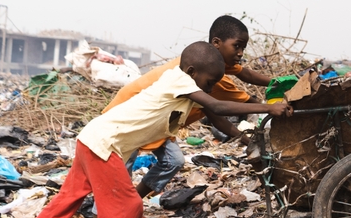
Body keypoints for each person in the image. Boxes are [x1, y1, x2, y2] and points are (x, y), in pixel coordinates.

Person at [0, 41, 293, 218]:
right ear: (191, 72)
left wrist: (244, 137)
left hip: (93, 139)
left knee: (64, 203)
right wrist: (268, 107)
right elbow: (217, 105)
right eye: (210, 82)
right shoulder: (178, 79)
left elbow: (217, 115)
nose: (212, 87)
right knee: (130, 207)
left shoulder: (191, 90)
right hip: (104, 145)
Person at [102, 15, 270, 200]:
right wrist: (272, 109)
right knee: (119, 179)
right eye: (237, 46)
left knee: (173, 161)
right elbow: (226, 107)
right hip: (129, 116)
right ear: (216, 43)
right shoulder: (202, 70)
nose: (240, 53)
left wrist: (276, 82)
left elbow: (243, 79)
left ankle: (131, 203)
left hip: (159, 123)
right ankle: (113, 215)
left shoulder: (212, 69)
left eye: (243, 48)